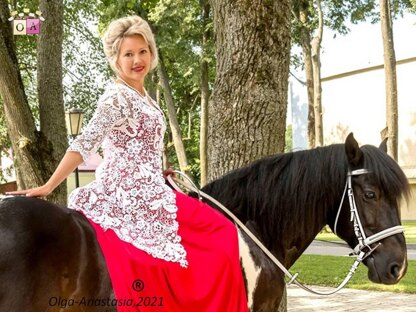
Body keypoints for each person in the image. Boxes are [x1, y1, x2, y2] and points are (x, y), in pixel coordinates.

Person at [7, 16, 248, 311]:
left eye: (142, 51)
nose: (137, 60)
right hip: (128, 193)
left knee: (219, 233)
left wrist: (158, 171)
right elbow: (85, 143)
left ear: (151, 53)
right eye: (128, 54)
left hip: (153, 187)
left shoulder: (144, 96)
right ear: (116, 59)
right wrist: (48, 185)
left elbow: (141, 145)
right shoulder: (117, 98)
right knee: (220, 234)